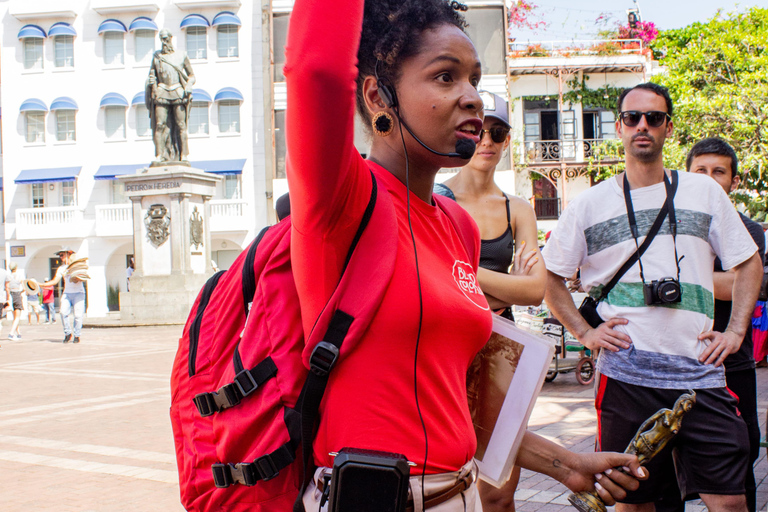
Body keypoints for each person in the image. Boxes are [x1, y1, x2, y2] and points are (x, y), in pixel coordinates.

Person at [285, 1, 646, 510]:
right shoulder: (342, 200)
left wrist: (567, 464)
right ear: (376, 96)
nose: (473, 98)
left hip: (461, 493)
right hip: (373, 498)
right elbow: (316, 69)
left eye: (473, 78)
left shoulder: (457, 226)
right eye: (445, 77)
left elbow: (462, 408)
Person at [543, 83, 764, 512]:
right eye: (632, 118)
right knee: (635, 503)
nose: (642, 125)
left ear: (668, 127)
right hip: (627, 376)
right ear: (620, 128)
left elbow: (748, 262)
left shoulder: (703, 193)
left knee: (731, 502)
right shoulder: (589, 204)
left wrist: (736, 330)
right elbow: (551, 277)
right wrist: (585, 333)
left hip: (699, 373)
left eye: (654, 118)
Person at [434, 92, 545, 512]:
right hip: (448, 347)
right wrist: (506, 284)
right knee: (445, 473)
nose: (487, 141)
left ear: (506, 140)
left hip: (502, 347)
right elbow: (430, 278)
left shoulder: (517, 208)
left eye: (497, 132)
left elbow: (535, 291)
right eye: (480, 131)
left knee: (499, 489)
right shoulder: (438, 199)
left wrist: (462, 273)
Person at [655, 138, 766, 512]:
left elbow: (742, 285)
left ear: (734, 181)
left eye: (718, 171)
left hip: (732, 359)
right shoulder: (670, 226)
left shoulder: (749, 230)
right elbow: (728, 284)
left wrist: (678, 280)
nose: (709, 178)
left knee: (741, 452)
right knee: (664, 460)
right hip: (676, 358)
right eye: (700, 170)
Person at [145, 29, 196, 165]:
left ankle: (184, 154)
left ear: (171, 38)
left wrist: (189, 85)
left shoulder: (181, 55)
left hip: (177, 91)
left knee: (181, 124)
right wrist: (151, 84)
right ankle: (159, 155)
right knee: (159, 124)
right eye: (162, 39)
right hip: (162, 90)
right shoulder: (156, 56)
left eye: (166, 38)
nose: (164, 42)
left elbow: (192, 75)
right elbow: (152, 74)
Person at [41, 249, 85, 344]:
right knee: (63, 312)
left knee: (78, 316)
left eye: (62, 255)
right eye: (60, 256)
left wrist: (75, 275)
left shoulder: (77, 266)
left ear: (68, 254)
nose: (60, 257)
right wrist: (42, 285)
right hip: (67, 293)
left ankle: (77, 335)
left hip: (79, 292)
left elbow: (83, 278)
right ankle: (68, 333)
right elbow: (55, 281)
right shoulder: (61, 268)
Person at [8, 262, 24, 340]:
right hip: (17, 294)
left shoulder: (8, 276)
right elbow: (24, 286)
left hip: (10, 294)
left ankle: (18, 333)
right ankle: (11, 333)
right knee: (17, 316)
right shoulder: (19, 275)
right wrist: (22, 292)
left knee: (14, 316)